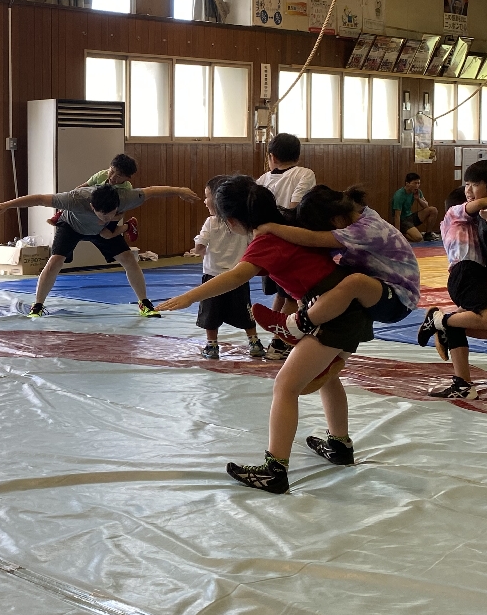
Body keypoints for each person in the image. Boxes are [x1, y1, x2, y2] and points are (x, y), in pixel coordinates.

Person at [158, 176, 374, 494]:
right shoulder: (287, 225)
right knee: (327, 376)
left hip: (334, 314)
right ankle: (339, 445)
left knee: (285, 386)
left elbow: (236, 276)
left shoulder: (267, 241)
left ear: (232, 222)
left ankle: (275, 471)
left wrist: (189, 297)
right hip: (346, 309)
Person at [0, 182, 199, 318]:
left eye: (111, 214)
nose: (106, 218)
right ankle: (38, 306)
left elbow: (152, 191)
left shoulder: (126, 198)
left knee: (129, 259)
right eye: (102, 215)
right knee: (54, 262)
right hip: (71, 226)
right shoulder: (74, 199)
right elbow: (40, 199)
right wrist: (6, 204)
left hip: (100, 231)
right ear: (91, 207)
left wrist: (179, 191)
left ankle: (144, 303)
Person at [251, 185, 420, 343]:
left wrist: (272, 228)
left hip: (399, 300)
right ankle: (325, 343)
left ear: (336, 220)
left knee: (355, 281)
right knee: (330, 280)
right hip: (377, 291)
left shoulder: (368, 228)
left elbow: (313, 239)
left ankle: (298, 325)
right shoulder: (353, 218)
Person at [417, 169, 487, 399]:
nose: (469, 191)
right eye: (467, 187)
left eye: (473, 185)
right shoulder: (454, 214)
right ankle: (438, 320)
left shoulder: (475, 223)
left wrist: (486, 217)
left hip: (475, 275)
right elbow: (478, 205)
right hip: (464, 272)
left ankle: (462, 383)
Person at [184, 175, 265, 359]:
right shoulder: (243, 222)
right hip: (238, 276)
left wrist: (199, 251)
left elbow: (200, 245)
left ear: (218, 200)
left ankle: (212, 346)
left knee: (210, 315)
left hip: (213, 276)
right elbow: (253, 244)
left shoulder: (211, 222)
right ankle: (254, 342)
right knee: (245, 312)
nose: (204, 201)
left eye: (207, 197)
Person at [255, 133, 316, 361]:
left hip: (266, 241)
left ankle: (275, 338)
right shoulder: (304, 174)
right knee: (291, 296)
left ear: (271, 156)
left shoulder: (261, 180)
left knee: (282, 295)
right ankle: (279, 344)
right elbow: (295, 208)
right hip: (289, 242)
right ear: (298, 155)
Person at [47, 154, 140, 241]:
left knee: (106, 235)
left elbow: (121, 214)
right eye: (111, 171)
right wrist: (65, 206)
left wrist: (108, 219)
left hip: (111, 213)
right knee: (74, 201)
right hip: (96, 208)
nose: (112, 177)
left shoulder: (126, 189)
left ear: (127, 178)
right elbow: (79, 189)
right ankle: (60, 213)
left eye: (119, 176)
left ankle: (129, 225)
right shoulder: (101, 175)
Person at [391, 172, 440, 243]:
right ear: (407, 183)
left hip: (410, 217)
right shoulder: (399, 195)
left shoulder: (417, 191)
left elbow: (426, 206)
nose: (417, 185)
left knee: (433, 210)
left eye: (418, 183)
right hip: (402, 220)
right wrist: (398, 234)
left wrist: (418, 199)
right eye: (415, 183)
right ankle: (403, 234)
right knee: (418, 238)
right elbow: (397, 216)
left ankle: (428, 234)